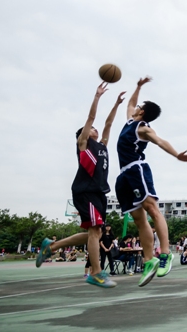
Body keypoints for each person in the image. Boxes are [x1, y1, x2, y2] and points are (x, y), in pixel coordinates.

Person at [36, 83, 124, 288]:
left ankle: (52, 247)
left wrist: (116, 104)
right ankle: (96, 273)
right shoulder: (83, 143)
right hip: (85, 191)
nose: (95, 128)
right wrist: (97, 96)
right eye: (91, 128)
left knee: (96, 234)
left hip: (99, 193)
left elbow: (108, 123)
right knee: (94, 232)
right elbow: (91, 118)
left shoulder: (102, 145)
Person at [115, 76, 187, 286]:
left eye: (139, 107)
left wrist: (177, 154)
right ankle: (149, 260)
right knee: (138, 220)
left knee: (152, 209)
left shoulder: (143, 128)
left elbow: (160, 141)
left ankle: (166, 253)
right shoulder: (130, 121)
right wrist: (138, 87)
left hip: (137, 170)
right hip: (123, 175)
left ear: (142, 112)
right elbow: (131, 104)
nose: (135, 107)